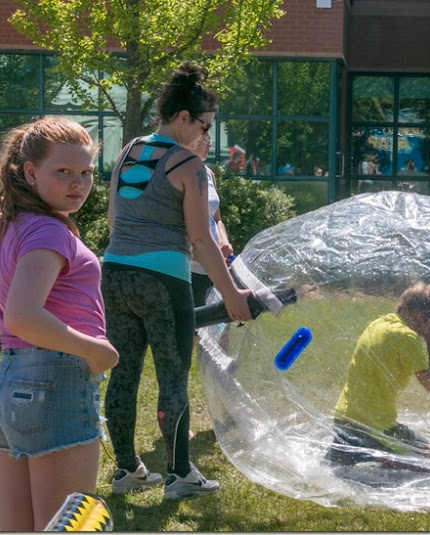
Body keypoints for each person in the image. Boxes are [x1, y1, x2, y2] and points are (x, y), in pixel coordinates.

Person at [102, 61, 253, 500]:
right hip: (163, 279)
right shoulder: (187, 163)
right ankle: (180, 474)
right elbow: (201, 239)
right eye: (204, 125)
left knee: (124, 375)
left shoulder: (130, 150)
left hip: (115, 274)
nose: (206, 135)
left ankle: (127, 470)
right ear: (183, 117)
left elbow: (113, 217)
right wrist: (232, 295)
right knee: (173, 377)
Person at [0, 117, 120, 531]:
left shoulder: (5, 228)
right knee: (66, 526)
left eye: (86, 172)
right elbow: (22, 315)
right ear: (30, 172)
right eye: (63, 171)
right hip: (55, 383)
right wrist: (95, 350)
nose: (78, 183)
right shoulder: (49, 231)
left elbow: (4, 313)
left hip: (8, 381)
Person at [325, 283, 430, 467]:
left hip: (344, 418)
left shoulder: (377, 324)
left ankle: (349, 453)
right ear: (422, 317)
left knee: (428, 450)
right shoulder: (407, 336)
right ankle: (373, 457)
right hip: (373, 428)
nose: (426, 334)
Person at [188, 132, 234, 310]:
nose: (210, 144)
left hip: (213, 270)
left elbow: (216, 218)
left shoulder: (208, 173)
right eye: (206, 139)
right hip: (189, 271)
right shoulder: (177, 174)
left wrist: (224, 243)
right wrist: (211, 258)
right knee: (194, 326)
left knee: (217, 325)